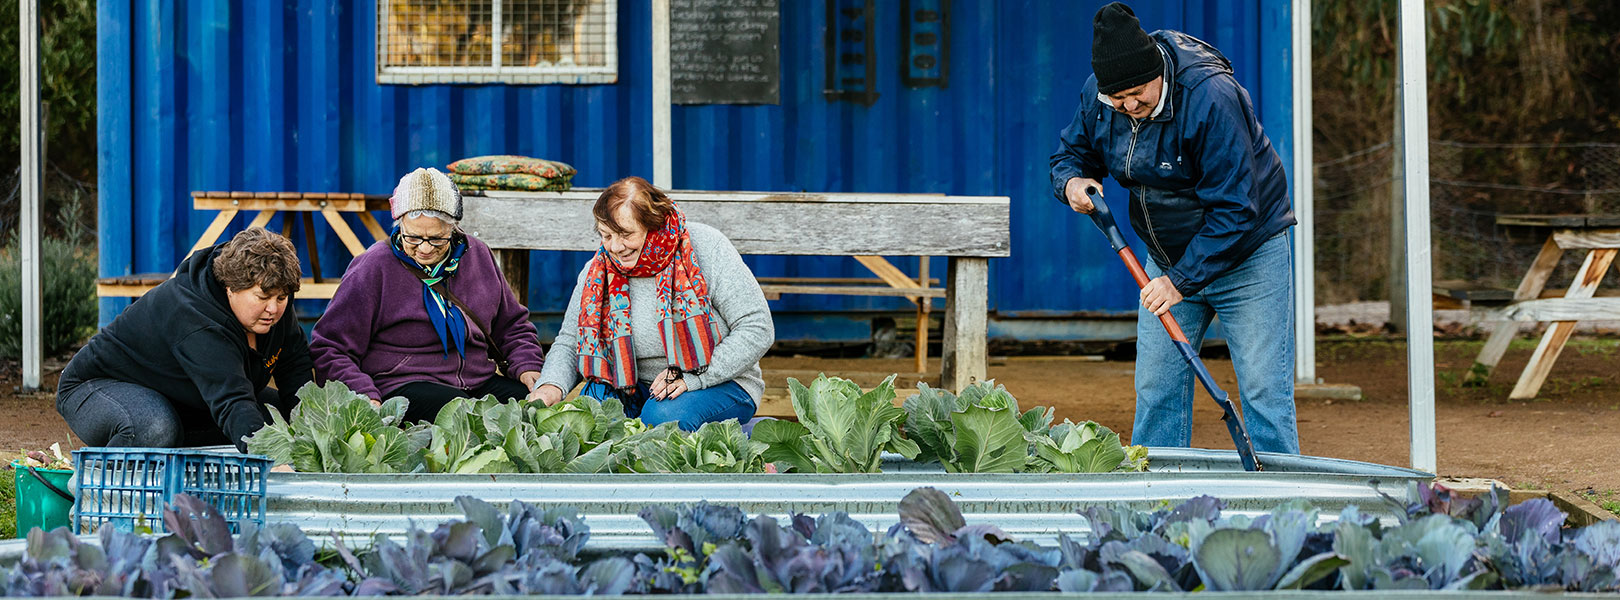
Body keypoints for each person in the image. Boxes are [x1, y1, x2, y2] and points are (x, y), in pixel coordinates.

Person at [1049, 2, 1299, 453]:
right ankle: (1155, 503)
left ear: (1157, 72)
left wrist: (1180, 281)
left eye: (1137, 93)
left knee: (1264, 391)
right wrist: (1071, 181)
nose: (1128, 105)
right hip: (1164, 261)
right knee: (1157, 390)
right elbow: (1072, 152)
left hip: (1247, 257)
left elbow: (1237, 210)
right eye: (1117, 98)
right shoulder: (1101, 96)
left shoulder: (1210, 97)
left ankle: (1280, 502)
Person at [532, 176, 772, 431]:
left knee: (662, 421)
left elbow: (757, 327)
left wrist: (693, 378)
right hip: (632, 385)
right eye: (606, 235)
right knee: (586, 421)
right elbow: (571, 340)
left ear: (654, 225)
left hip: (719, 382)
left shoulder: (705, 249)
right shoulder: (597, 271)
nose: (614, 247)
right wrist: (550, 386)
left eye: (625, 234)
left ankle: (750, 437)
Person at [310, 167, 546, 423]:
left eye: (436, 239)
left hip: (476, 381)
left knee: (536, 410)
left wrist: (528, 366)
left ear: (453, 229)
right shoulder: (373, 266)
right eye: (412, 237)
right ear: (399, 223)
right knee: (463, 416)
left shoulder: (477, 255)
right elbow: (329, 347)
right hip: (402, 385)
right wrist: (363, 393)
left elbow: (512, 326)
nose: (423, 248)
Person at [56, 228, 314, 451]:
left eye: (282, 298)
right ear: (231, 287)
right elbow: (232, 400)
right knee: (155, 428)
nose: (274, 309)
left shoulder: (275, 304)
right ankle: (99, 484)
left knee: (278, 421)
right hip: (98, 388)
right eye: (263, 297)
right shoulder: (195, 317)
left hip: (181, 398)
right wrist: (271, 459)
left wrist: (313, 439)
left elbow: (295, 369)